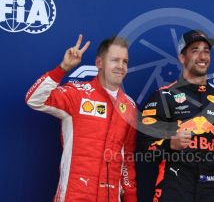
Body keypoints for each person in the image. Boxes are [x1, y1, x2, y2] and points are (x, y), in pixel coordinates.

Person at [25, 35, 137, 202]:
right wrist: (62, 68)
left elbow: (127, 159)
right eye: (115, 60)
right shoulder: (77, 94)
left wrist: (130, 197)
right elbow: (34, 99)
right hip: (74, 196)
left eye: (125, 61)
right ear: (99, 63)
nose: (121, 67)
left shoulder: (129, 106)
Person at [138, 30, 214, 202]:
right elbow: (145, 147)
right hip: (173, 188)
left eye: (206, 50)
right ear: (182, 58)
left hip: (209, 191)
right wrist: (170, 144)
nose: (202, 56)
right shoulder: (163, 96)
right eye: (195, 50)